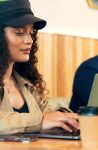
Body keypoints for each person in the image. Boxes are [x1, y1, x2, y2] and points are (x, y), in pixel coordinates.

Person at [0, 0, 79, 135]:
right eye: (19, 33)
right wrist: (41, 120)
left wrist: (66, 117)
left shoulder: (23, 83)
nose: (29, 40)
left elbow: (46, 108)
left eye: (31, 32)